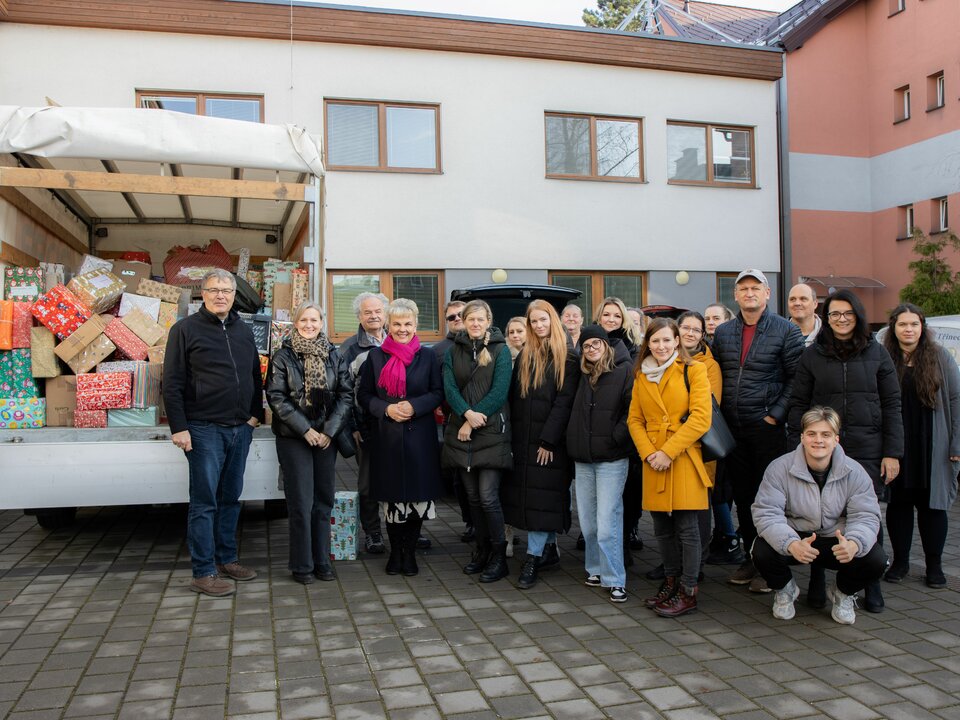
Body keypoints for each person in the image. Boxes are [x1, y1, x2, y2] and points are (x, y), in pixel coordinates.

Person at [787, 289, 902, 612]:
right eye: (835, 314)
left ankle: (869, 582)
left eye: (847, 314)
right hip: (823, 448)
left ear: (858, 316)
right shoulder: (813, 354)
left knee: (866, 515)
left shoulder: (877, 353)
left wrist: (892, 452)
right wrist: (802, 444)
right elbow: (798, 403)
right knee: (822, 512)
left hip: (868, 447)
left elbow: (892, 404)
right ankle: (818, 575)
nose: (841, 319)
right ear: (828, 318)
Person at [164, 269, 263, 597]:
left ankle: (227, 559)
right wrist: (179, 427)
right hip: (204, 429)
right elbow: (173, 382)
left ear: (235, 294)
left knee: (230, 499)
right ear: (201, 294)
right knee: (204, 502)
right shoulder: (184, 330)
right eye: (214, 290)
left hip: (239, 428)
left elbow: (254, 374)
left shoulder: (244, 330)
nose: (221, 295)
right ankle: (203, 571)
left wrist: (254, 416)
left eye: (227, 290)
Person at [711, 269, 804, 592]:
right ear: (735, 296)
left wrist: (775, 415)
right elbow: (716, 376)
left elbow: (797, 379)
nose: (749, 293)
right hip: (733, 431)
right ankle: (752, 556)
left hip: (766, 429)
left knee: (771, 499)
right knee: (743, 497)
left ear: (767, 294)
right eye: (743, 288)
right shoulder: (723, 333)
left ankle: (771, 562)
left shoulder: (785, 331)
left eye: (755, 288)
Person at [752, 406, 886, 625]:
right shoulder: (778, 469)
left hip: (835, 539)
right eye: (812, 434)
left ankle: (842, 593)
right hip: (798, 537)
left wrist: (854, 543)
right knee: (761, 550)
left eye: (826, 435)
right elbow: (766, 514)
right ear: (802, 437)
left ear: (836, 439)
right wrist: (791, 543)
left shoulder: (855, 472)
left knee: (876, 558)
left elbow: (866, 516)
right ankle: (785, 589)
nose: (818, 440)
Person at [629, 317, 712, 617]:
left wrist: (667, 451)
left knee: (688, 529)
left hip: (683, 457)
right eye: (655, 341)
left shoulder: (694, 369)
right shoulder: (641, 375)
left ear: (677, 340)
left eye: (666, 340)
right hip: (654, 460)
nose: (661, 346)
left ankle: (688, 591)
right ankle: (671, 582)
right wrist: (650, 453)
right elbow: (634, 420)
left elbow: (701, 418)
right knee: (662, 529)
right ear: (647, 344)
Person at [266, 302, 352, 584]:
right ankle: (302, 565)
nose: (310, 325)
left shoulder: (334, 355)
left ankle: (322, 560)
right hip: (295, 438)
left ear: (322, 322)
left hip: (326, 438)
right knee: (301, 502)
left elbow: (346, 395)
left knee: (323, 500)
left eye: (315, 320)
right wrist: (305, 430)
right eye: (304, 320)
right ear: (295, 323)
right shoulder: (282, 356)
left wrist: (329, 431)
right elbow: (277, 398)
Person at [356, 299, 443, 577]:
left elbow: (437, 392)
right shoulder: (376, 357)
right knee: (393, 499)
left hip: (419, 439)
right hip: (388, 438)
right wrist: (387, 408)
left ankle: (410, 552)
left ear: (415, 325)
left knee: (417, 498)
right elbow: (364, 395)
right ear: (388, 326)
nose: (402, 329)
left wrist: (414, 406)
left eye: (407, 324)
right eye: (397, 324)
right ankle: (396, 552)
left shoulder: (428, 357)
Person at [882, 304, 960, 589]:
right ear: (893, 327)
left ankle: (934, 566)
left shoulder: (940, 357)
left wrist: (957, 443)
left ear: (922, 327)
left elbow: (956, 400)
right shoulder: (885, 357)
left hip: (933, 445)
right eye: (903, 324)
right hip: (898, 446)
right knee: (899, 506)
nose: (909, 329)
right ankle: (901, 561)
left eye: (914, 324)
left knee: (934, 508)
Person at [505, 300, 579, 590]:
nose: (538, 326)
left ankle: (533, 557)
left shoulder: (568, 358)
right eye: (533, 321)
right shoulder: (526, 354)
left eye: (543, 320)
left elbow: (564, 403)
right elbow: (515, 398)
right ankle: (548, 551)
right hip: (524, 441)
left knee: (541, 500)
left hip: (550, 444)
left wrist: (548, 440)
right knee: (534, 499)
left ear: (553, 321)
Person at [442, 300, 513, 582]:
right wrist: (466, 414)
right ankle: (481, 551)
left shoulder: (500, 350)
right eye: (469, 318)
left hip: (491, 431)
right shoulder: (452, 351)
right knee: (471, 497)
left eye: (480, 319)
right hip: (462, 429)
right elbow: (449, 389)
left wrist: (474, 418)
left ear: (488, 320)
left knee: (487, 496)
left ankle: (499, 555)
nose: (474, 323)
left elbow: (500, 391)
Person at [567, 325, 635, 602]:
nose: (592, 348)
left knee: (608, 522)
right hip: (583, 458)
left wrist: (614, 438)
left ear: (606, 345)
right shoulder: (581, 374)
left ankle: (615, 577)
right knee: (589, 523)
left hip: (612, 457)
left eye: (596, 343)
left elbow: (633, 410)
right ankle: (595, 569)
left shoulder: (624, 370)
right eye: (586, 345)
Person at [677, 311, 741, 572]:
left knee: (698, 507)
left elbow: (707, 405)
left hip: (698, 445)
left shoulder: (709, 365)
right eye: (685, 328)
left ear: (703, 335)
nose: (690, 333)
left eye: (696, 330)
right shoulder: (665, 357)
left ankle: (696, 565)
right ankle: (674, 561)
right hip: (669, 445)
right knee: (674, 509)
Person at [340, 291, 390, 555]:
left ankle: (403, 528)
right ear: (359, 316)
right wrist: (353, 428)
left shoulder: (397, 340)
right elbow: (344, 393)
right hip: (366, 428)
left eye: (378, 311)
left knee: (398, 479)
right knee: (369, 483)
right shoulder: (349, 349)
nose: (373, 316)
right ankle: (372, 533)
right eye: (367, 312)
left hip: (396, 426)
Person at [433, 300, 473, 543]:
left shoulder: (487, 346)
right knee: (460, 478)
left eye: (461, 315)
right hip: (453, 421)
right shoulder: (438, 350)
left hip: (485, 422)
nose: (457, 319)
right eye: (452, 317)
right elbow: (440, 388)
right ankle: (470, 523)